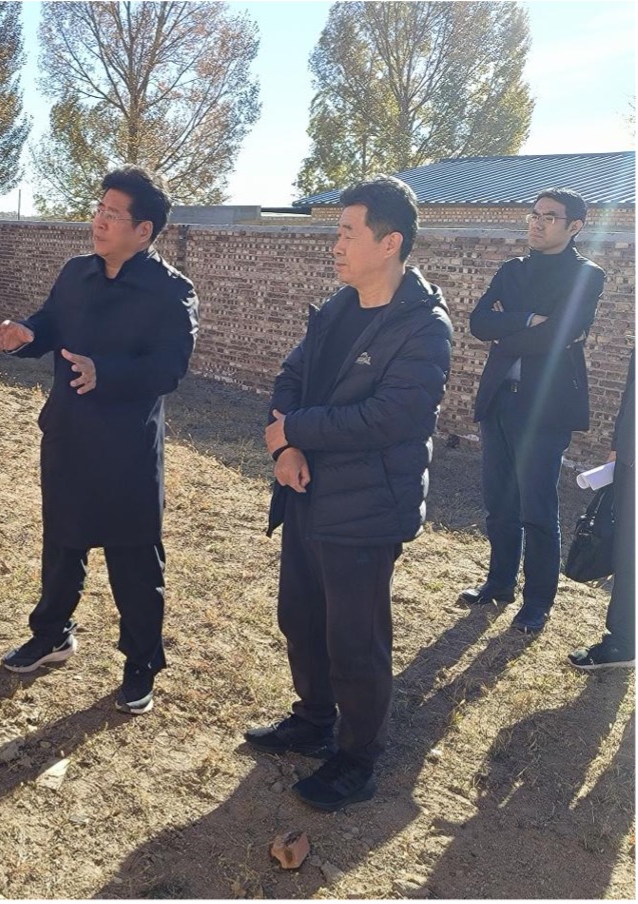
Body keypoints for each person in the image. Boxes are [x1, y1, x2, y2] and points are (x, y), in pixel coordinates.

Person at [245, 176, 452, 810]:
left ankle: (357, 758)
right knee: (300, 616)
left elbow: (394, 417)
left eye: (347, 232)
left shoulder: (423, 327)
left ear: (390, 243)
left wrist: (298, 429)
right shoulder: (337, 308)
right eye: (336, 232)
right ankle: (313, 719)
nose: (335, 244)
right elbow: (290, 377)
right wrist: (286, 449)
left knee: (355, 640)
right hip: (308, 490)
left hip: (367, 505)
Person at [0, 165, 199, 716]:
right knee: (62, 543)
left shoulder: (171, 292)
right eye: (99, 210)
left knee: (135, 559)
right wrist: (26, 334)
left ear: (144, 231)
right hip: (68, 433)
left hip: (127, 449)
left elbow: (170, 368)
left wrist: (108, 373)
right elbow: (51, 323)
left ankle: (141, 663)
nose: (99, 221)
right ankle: (51, 634)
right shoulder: (76, 272)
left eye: (113, 215)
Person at [459, 189, 606, 633]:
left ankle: (537, 602)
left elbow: (559, 335)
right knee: (498, 503)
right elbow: (478, 323)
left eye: (549, 217)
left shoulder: (586, 275)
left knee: (537, 508)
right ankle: (499, 584)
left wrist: (510, 329)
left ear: (575, 226)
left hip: (545, 408)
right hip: (499, 399)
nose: (537, 223)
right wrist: (527, 320)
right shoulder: (512, 269)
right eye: (534, 214)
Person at [569, 349, 634, 669]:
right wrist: (617, 446)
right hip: (630, 458)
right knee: (628, 551)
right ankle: (623, 641)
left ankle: (623, 642)